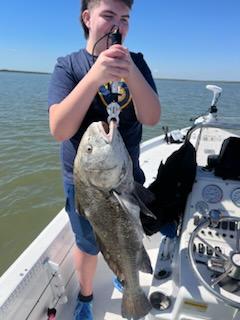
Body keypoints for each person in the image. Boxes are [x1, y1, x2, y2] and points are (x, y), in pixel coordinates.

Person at [48, 0, 161, 319]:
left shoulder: (137, 62)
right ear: (87, 18)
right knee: (87, 243)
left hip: (126, 181)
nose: (117, 25)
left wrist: (131, 73)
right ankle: (85, 296)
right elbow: (59, 129)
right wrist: (95, 76)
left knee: (129, 235)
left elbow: (151, 117)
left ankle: (126, 276)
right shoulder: (69, 66)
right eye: (108, 15)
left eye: (125, 18)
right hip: (85, 187)